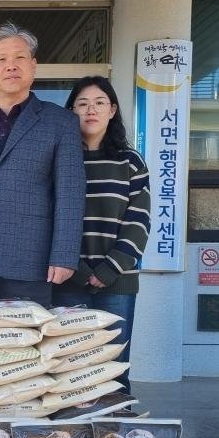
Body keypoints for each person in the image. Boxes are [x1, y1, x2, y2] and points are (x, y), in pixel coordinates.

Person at [0, 22, 86, 307]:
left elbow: (70, 194)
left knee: (26, 335)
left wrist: (64, 255)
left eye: (19, 58)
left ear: (33, 66)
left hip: (32, 260)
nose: (11, 66)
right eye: (1, 59)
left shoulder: (61, 123)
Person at [58, 76, 151, 391]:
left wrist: (110, 268)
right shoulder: (60, 161)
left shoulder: (130, 161)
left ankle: (115, 423)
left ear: (112, 110)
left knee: (113, 368)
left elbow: (139, 220)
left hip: (117, 282)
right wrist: (77, 268)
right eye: (82, 104)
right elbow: (49, 218)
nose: (91, 110)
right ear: (71, 111)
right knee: (70, 369)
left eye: (99, 103)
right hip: (69, 279)